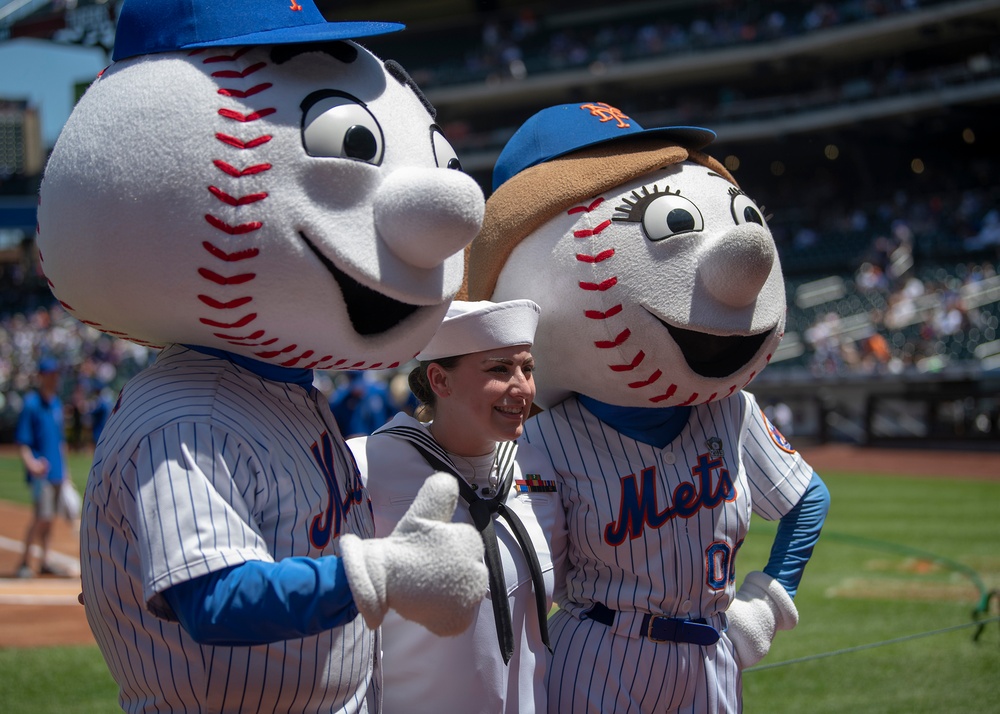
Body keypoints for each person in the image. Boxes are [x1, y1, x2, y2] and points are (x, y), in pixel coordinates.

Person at [349, 299, 568, 714]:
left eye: (528, 368)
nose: (522, 387)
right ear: (439, 380)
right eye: (499, 369)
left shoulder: (537, 466)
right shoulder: (365, 466)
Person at [15, 357, 72, 578]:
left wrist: (65, 470)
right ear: (41, 376)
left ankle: (45, 560)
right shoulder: (31, 404)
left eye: (56, 374)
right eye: (50, 374)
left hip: (57, 470)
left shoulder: (56, 403)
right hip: (41, 473)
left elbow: (60, 441)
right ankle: (24, 561)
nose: (54, 378)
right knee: (41, 517)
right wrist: (31, 464)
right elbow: (23, 442)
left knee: (50, 519)